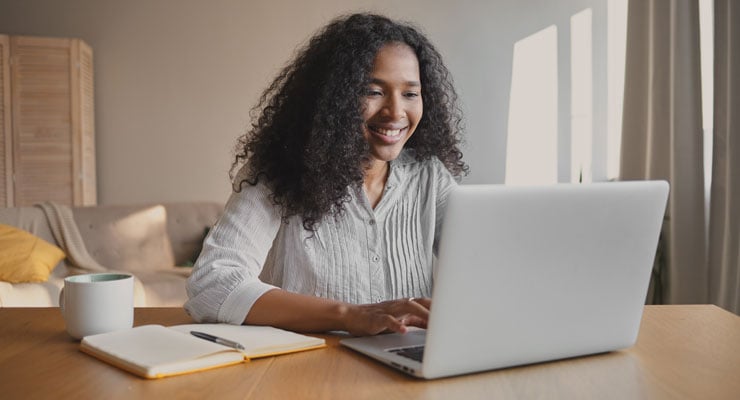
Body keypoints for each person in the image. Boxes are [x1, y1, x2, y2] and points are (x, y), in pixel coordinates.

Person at [185, 13, 467, 336]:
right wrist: (348, 315)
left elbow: (486, 272)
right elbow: (212, 284)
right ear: (336, 97)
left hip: (408, 368)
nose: (395, 112)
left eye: (410, 93)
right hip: (304, 372)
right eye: (373, 91)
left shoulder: (430, 177)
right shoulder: (278, 172)